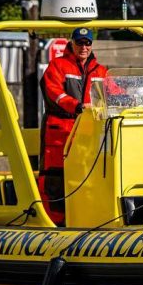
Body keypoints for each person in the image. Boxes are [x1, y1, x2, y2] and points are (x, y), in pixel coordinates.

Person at [39, 27, 108, 225]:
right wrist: (77, 106)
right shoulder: (58, 65)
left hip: (87, 131)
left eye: (87, 43)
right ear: (72, 43)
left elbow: (113, 92)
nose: (84, 47)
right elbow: (54, 93)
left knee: (89, 175)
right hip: (59, 131)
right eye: (80, 42)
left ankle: (86, 218)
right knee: (55, 178)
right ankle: (55, 223)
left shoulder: (101, 71)